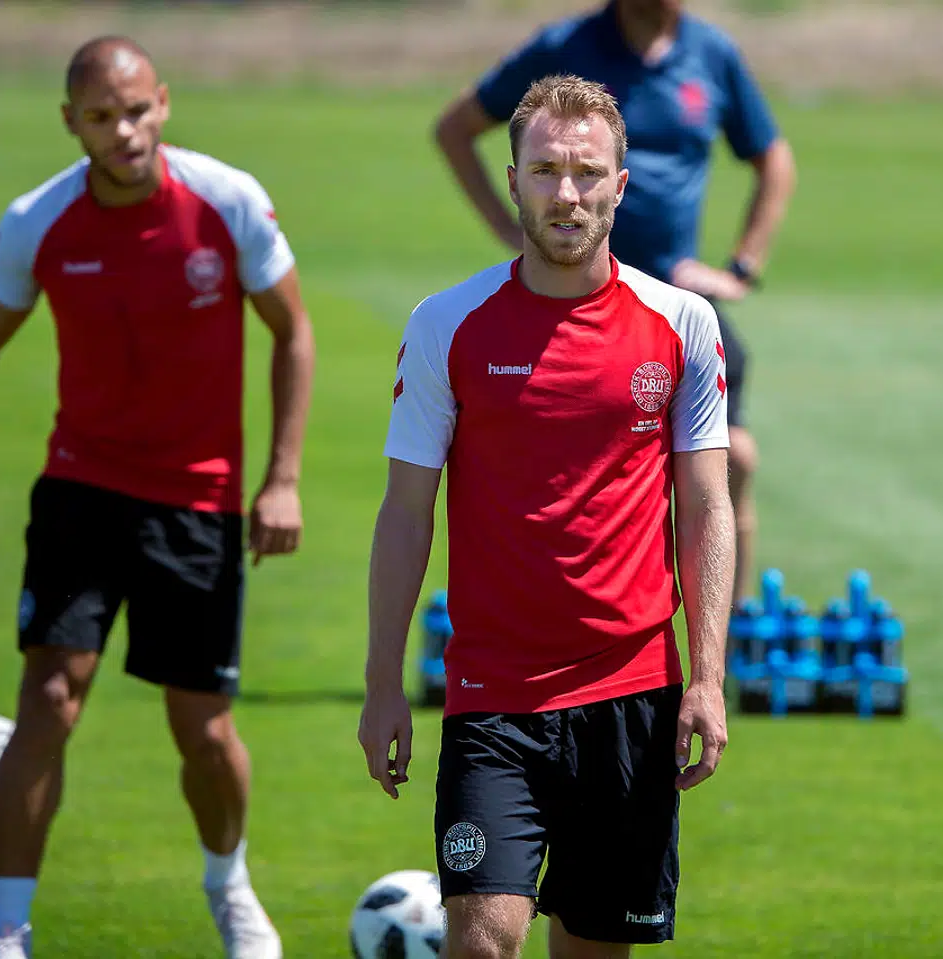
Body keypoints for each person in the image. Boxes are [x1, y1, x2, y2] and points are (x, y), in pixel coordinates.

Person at [0, 36, 314, 959]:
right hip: (81, 487)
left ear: (162, 102)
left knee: (200, 729)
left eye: (135, 111)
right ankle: (7, 929)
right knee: (49, 695)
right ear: (70, 122)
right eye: (99, 117)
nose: (122, 132)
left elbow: (292, 331)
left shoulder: (227, 202)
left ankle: (228, 883)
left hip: (198, 503)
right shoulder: (37, 221)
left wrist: (281, 478)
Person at [359, 75, 735, 958]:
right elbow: (406, 510)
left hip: (632, 694)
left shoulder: (682, 323)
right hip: (494, 696)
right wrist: (383, 683)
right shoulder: (446, 324)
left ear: (620, 184)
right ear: (514, 180)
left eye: (586, 172)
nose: (566, 193)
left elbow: (707, 505)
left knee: (591, 948)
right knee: (483, 941)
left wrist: (708, 677)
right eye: (545, 171)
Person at [433, 0, 794, 607]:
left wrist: (740, 267)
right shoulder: (563, 47)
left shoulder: (712, 54)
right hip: (570, 299)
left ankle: (723, 651)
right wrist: (508, 226)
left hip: (675, 302)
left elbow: (774, 159)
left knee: (736, 461)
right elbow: (455, 128)